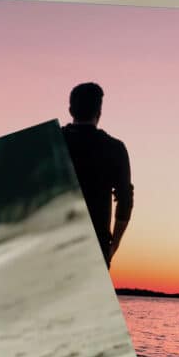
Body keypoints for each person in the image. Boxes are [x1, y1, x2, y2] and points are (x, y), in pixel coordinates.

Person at [61, 82, 134, 267]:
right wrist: (114, 244)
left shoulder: (52, 141)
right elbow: (125, 201)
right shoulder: (114, 148)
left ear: (71, 110)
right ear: (99, 111)